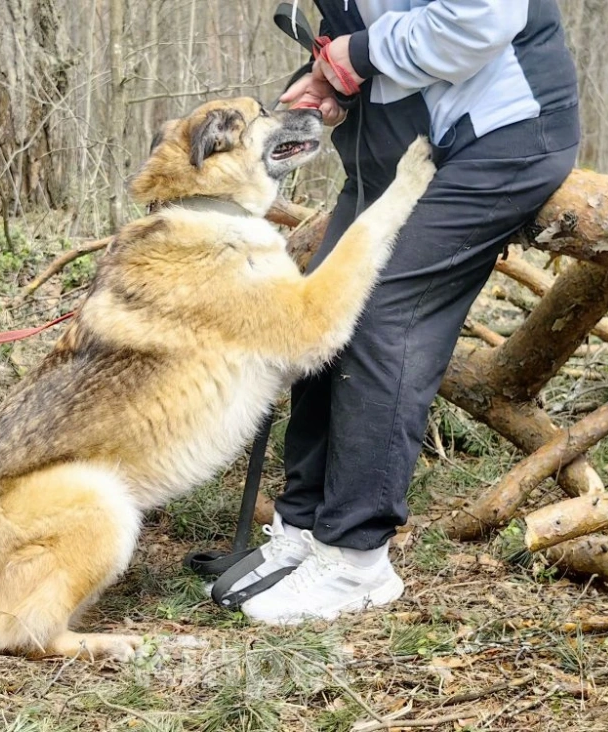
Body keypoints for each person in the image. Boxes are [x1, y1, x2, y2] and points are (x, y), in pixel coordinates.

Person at [227, 0, 581, 624]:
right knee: (318, 311)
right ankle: (305, 528)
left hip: (500, 139)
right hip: (399, 152)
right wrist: (327, 80)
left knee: (381, 314)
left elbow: (480, 21)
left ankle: (356, 559)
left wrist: (357, 58)